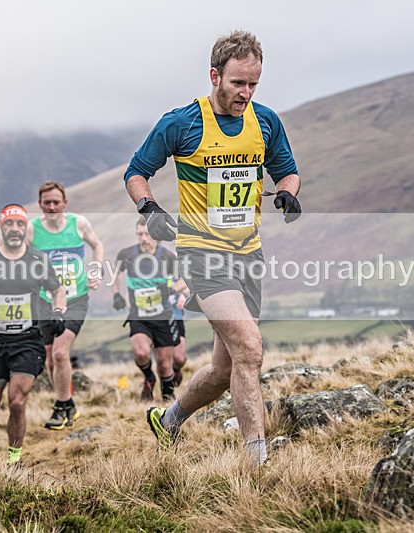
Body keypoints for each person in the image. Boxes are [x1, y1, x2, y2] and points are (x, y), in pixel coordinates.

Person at [124, 30, 302, 464]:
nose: (246, 93)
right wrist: (149, 207)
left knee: (227, 369)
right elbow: (136, 172)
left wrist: (287, 193)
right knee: (250, 348)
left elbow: (288, 172)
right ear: (214, 76)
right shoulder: (181, 122)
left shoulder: (266, 122)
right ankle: (255, 465)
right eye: (238, 83)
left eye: (254, 84)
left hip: (248, 253)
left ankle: (168, 421)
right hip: (203, 253)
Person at [0, 204, 67, 465]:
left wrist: (59, 311)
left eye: (19, 224)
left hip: (28, 340)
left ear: (25, 227)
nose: (15, 229)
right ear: (1, 226)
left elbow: (57, 289)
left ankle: (14, 459)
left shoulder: (38, 259)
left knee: (17, 402)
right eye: (9, 224)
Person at [25, 181, 104, 430]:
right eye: (46, 202)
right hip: (44, 301)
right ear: (40, 204)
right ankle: (69, 403)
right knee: (51, 361)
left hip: (75, 298)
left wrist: (95, 269)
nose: (51, 206)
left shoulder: (78, 223)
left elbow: (97, 245)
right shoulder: (32, 229)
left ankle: (60, 408)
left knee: (60, 353)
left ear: (64, 203)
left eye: (55, 202)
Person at [112, 217, 186, 402]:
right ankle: (149, 377)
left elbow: (185, 279)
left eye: (147, 234)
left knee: (164, 363)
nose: (144, 238)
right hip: (139, 315)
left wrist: (172, 290)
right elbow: (115, 274)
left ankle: (168, 402)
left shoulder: (167, 257)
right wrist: (117, 295)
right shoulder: (126, 254)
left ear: (155, 236)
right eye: (140, 234)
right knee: (141, 353)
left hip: (163, 316)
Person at [168, 279, 189, 387]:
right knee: (162, 360)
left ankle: (175, 370)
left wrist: (184, 295)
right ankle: (166, 392)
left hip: (176, 317)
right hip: (155, 319)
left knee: (179, 359)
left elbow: (190, 282)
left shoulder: (176, 265)